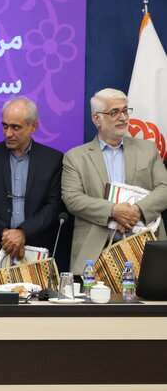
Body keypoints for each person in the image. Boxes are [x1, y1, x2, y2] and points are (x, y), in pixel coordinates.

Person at [62, 88, 167, 274]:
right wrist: (113, 211)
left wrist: (136, 211)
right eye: (115, 112)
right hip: (95, 251)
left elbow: (164, 188)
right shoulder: (75, 157)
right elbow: (72, 198)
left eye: (125, 110)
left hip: (146, 245)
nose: (123, 118)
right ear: (97, 119)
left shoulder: (148, 149)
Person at [0, 96, 63, 270]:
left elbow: (54, 205)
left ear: (34, 126)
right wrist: (4, 233)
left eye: (15, 127)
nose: (8, 133)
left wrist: (23, 232)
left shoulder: (52, 159)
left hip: (36, 249)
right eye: (5, 126)